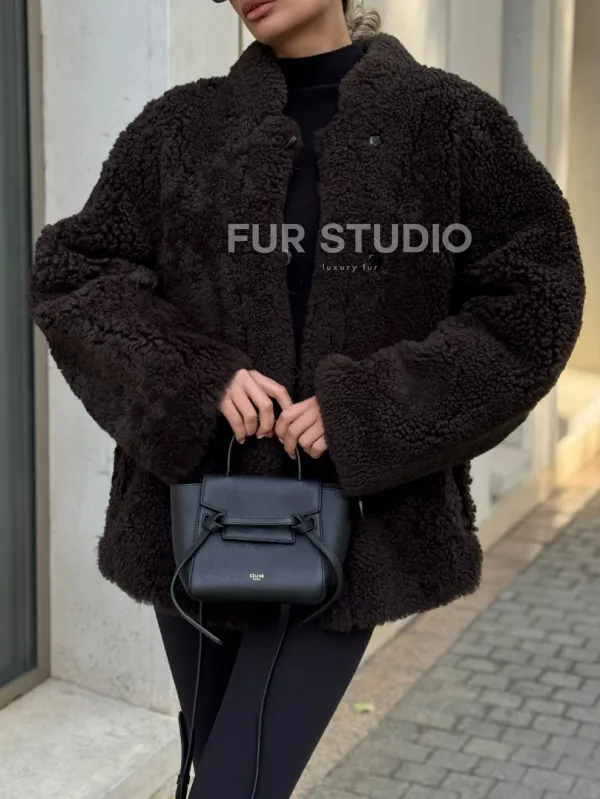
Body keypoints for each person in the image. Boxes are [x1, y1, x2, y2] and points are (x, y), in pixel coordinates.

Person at [29, 0, 585, 796]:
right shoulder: (180, 127)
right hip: (197, 518)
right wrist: (194, 374)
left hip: (354, 533)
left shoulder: (450, 124)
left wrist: (370, 409)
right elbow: (75, 275)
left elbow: (532, 305)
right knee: (213, 769)